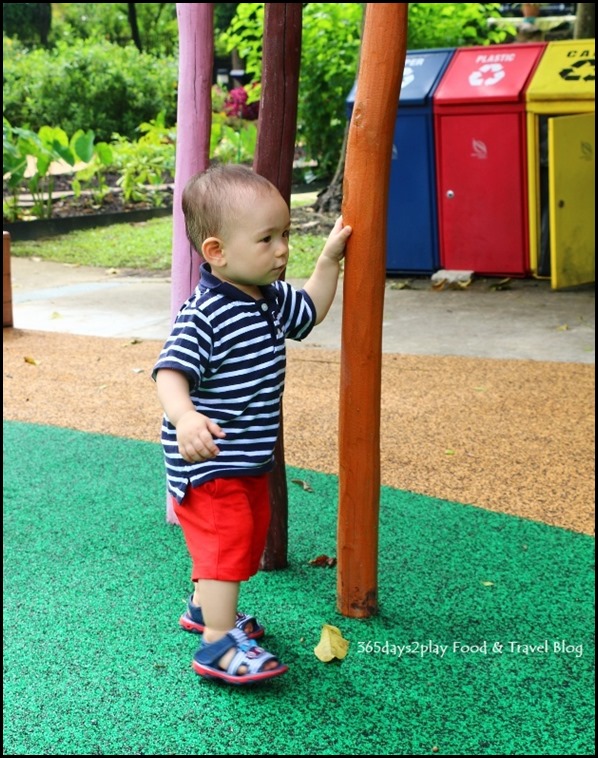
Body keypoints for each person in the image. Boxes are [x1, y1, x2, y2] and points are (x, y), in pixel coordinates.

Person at [152, 164, 352, 685]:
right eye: (267, 239)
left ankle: (203, 608)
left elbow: (311, 309)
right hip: (210, 459)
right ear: (217, 251)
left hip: (247, 457)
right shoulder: (205, 314)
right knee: (228, 542)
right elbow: (170, 372)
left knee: (241, 535)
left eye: (285, 234)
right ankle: (217, 644)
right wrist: (186, 416)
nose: (283, 249)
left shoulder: (269, 297)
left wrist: (329, 260)